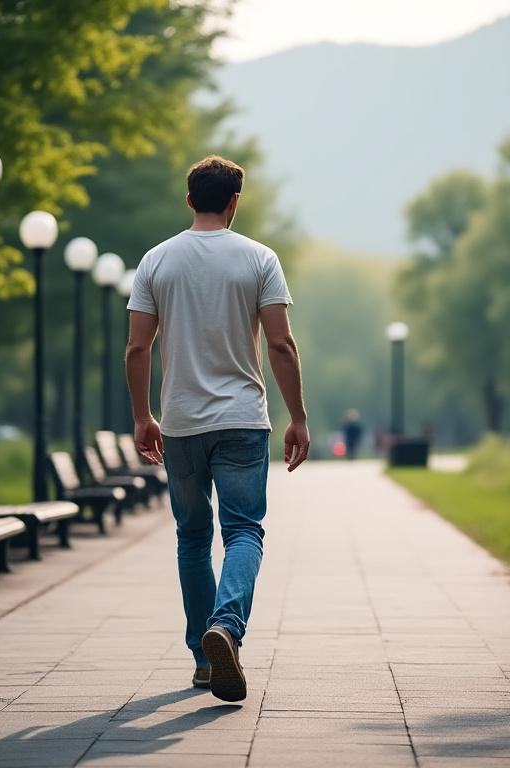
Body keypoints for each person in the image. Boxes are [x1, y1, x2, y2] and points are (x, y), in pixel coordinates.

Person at [125, 155, 311, 702]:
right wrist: (298, 416)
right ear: (235, 200)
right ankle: (225, 628)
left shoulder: (156, 261)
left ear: (189, 200)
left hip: (180, 424)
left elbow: (138, 346)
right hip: (241, 422)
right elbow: (280, 343)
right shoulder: (259, 259)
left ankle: (203, 661)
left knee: (191, 536)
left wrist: (142, 416)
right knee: (244, 531)